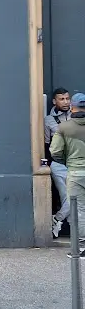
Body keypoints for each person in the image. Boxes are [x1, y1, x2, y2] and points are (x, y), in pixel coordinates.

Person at [50, 92, 85, 257]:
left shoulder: (65, 127)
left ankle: (82, 246)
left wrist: (67, 161)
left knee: (78, 208)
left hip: (75, 171)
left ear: (72, 107)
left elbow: (55, 151)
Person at [45, 87, 72, 238]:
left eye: (67, 98)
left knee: (77, 198)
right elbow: (46, 144)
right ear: (54, 101)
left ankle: (57, 219)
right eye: (62, 99)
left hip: (77, 163)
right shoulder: (48, 120)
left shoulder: (76, 116)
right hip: (59, 165)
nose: (66, 101)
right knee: (67, 198)